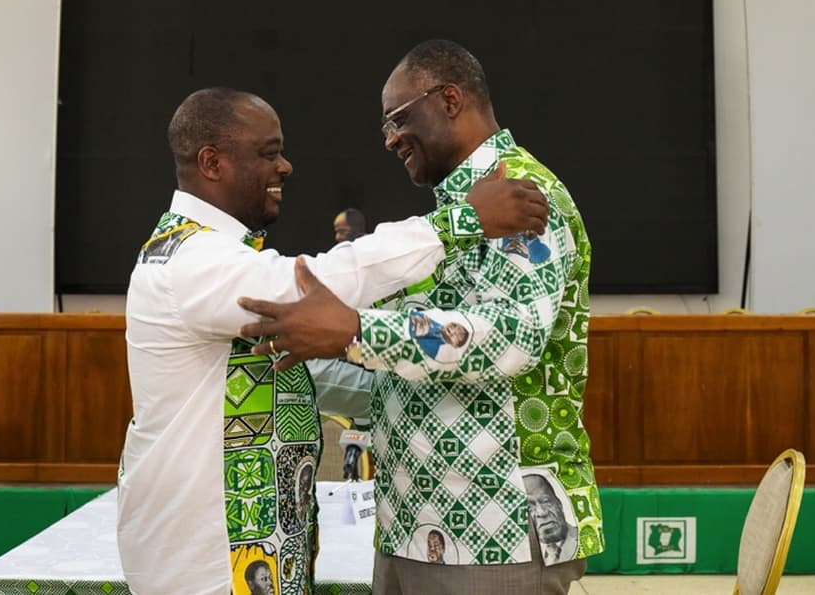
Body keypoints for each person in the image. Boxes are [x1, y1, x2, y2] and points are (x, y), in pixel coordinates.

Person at [115, 86, 549, 595]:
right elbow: (315, 287)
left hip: (237, 545)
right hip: (205, 558)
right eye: (269, 153)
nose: (285, 167)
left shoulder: (206, 249)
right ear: (212, 163)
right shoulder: (190, 261)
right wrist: (459, 221)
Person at [238, 40, 603, 595]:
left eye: (399, 119)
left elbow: (514, 335)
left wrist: (356, 332)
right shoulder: (461, 212)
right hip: (413, 523)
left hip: (493, 528)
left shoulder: (524, 195)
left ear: (450, 100)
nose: (389, 139)